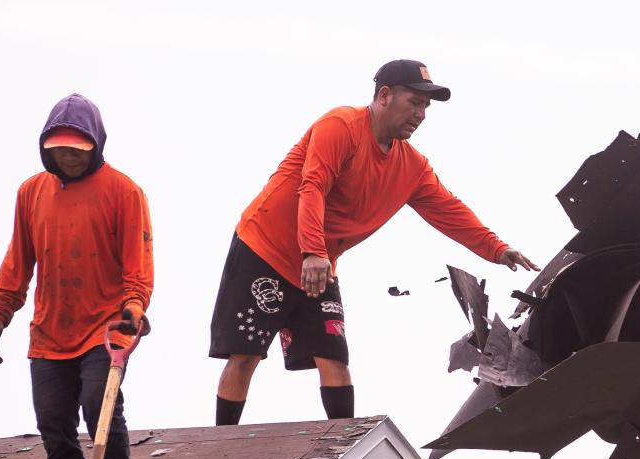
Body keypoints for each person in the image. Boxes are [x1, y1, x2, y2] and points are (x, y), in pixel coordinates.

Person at [211, 59, 538, 425]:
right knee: (246, 355)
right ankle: (222, 440)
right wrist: (314, 252)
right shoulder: (340, 126)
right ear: (384, 95)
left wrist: (496, 248)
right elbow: (313, 186)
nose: (421, 114)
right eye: (414, 102)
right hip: (266, 248)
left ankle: (343, 447)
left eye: (426, 107)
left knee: (334, 357)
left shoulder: (412, 167)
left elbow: (449, 210)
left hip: (319, 264)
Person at [0, 93, 153, 459]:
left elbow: (138, 267)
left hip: (106, 329)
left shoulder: (124, 192)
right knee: (55, 428)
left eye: (77, 147)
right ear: (47, 148)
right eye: (60, 148)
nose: (69, 155)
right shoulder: (31, 193)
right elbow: (18, 263)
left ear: (95, 146)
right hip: (50, 334)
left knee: (100, 410)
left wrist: (134, 308)